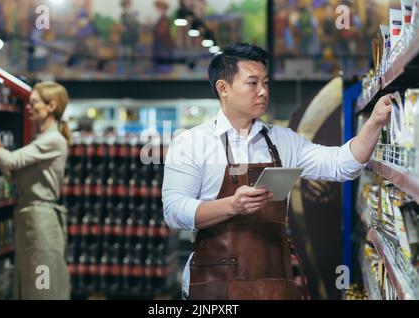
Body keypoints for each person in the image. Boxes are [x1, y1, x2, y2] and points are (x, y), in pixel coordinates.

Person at [162, 43, 392, 300]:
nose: (263, 91)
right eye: (252, 83)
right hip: (213, 287)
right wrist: (232, 205)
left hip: (273, 283)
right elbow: (174, 210)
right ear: (223, 89)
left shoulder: (283, 141)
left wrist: (374, 123)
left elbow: (341, 165)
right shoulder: (192, 143)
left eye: (266, 82)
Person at [0, 81, 72, 300]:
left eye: (34, 102)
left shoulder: (54, 140)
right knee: (27, 283)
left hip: (41, 224)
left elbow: (12, 160)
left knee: (41, 284)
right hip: (30, 220)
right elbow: (13, 176)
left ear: (51, 106)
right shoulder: (41, 140)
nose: (28, 107)